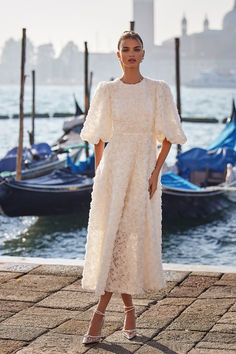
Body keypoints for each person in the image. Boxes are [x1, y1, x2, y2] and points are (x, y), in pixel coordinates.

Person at [80, 30, 187, 345]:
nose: (130, 54)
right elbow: (98, 135)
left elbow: (169, 135)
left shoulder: (158, 90)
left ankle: (101, 315)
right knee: (113, 240)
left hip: (142, 170)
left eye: (136, 49)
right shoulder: (107, 90)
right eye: (125, 49)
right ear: (118, 55)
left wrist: (155, 173)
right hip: (113, 171)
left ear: (143, 54)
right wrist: (100, 172)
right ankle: (127, 311)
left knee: (128, 239)